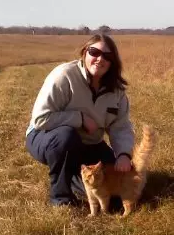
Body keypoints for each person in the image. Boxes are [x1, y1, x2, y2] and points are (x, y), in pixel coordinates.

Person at [25, 34, 135, 206]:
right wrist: (79, 118)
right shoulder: (64, 76)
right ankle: (60, 198)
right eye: (94, 52)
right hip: (46, 136)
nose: (100, 59)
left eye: (107, 56)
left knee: (114, 190)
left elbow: (120, 126)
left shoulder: (117, 91)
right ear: (84, 53)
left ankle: (74, 178)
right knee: (66, 136)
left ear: (113, 62)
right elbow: (40, 118)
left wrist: (123, 154)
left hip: (90, 143)